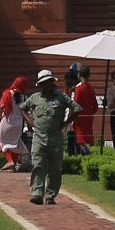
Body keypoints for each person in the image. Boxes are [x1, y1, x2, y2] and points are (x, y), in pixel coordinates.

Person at [21, 69, 73, 205]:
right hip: (39, 137)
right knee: (38, 165)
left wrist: (66, 122)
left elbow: (77, 108)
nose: (47, 85)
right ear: (40, 85)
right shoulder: (35, 98)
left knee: (55, 168)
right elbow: (22, 108)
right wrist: (29, 121)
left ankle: (50, 195)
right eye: (44, 82)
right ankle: (37, 193)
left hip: (55, 137)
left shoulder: (61, 97)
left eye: (49, 82)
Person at [0, 75, 29, 170]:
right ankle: (13, 166)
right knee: (15, 143)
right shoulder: (25, 97)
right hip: (19, 123)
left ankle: (10, 161)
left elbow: (0, 107)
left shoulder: (7, 93)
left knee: (3, 142)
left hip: (7, 120)